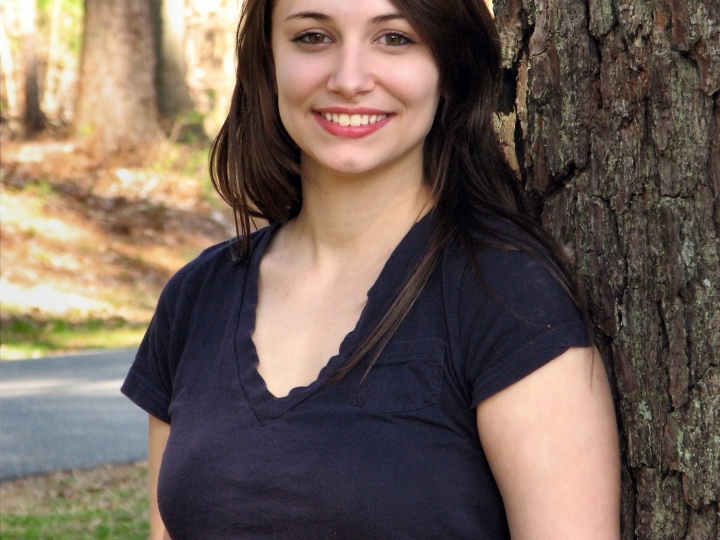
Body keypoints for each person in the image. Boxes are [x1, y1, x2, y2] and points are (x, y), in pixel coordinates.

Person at [121, 0, 621, 538]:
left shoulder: (509, 298)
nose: (349, 79)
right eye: (313, 37)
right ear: (267, 60)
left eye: (395, 39)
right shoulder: (196, 298)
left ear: (449, 66)